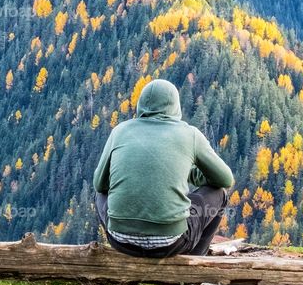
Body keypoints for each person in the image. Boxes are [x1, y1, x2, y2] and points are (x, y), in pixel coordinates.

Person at [93, 78, 234, 257]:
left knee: (100, 192)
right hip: (171, 243)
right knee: (219, 193)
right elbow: (225, 179)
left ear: (141, 104)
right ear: (176, 106)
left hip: (120, 241)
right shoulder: (190, 134)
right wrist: (192, 174)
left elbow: (99, 184)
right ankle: (195, 261)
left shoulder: (120, 131)